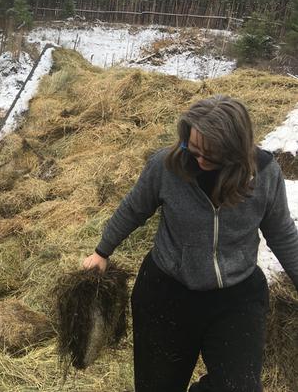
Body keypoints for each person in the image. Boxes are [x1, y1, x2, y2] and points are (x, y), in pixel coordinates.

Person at [82, 95, 298, 392]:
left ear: (236, 151)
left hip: (237, 296)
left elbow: (282, 232)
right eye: (193, 149)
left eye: (211, 156)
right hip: (166, 293)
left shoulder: (263, 175)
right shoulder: (166, 166)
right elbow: (134, 208)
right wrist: (101, 252)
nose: (199, 161)